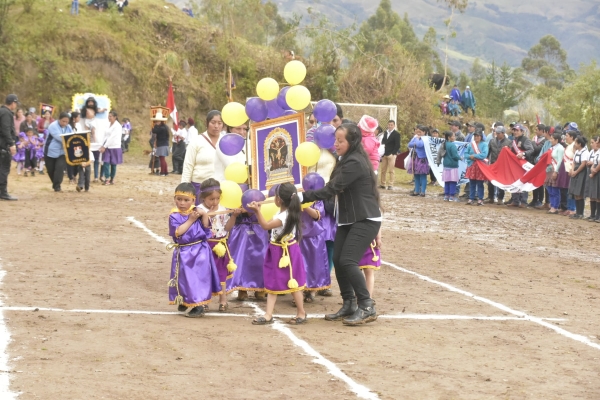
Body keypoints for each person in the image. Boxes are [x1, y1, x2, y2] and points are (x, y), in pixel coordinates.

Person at [299, 123, 381, 326]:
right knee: (338, 258)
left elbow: (331, 189)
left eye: (340, 140)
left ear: (352, 141)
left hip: (365, 219)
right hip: (348, 219)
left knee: (348, 260)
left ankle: (367, 305)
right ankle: (349, 303)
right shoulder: (345, 160)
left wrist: (302, 197)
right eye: (335, 139)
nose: (336, 144)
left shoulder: (355, 162)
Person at [246, 183, 308, 325]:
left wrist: (257, 211)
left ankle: (301, 313)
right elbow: (270, 224)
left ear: (278, 200)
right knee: (272, 280)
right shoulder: (282, 213)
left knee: (294, 282)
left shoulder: (284, 216)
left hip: (285, 251)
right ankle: (268, 314)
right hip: (277, 250)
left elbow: (266, 226)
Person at [168, 182, 222, 318]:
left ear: (193, 200)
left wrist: (204, 214)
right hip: (184, 251)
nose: (182, 203)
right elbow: (178, 232)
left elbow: (206, 227)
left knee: (196, 278)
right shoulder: (174, 215)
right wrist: (191, 220)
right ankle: (186, 300)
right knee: (183, 278)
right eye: (178, 199)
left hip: (199, 250)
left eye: (186, 200)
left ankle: (198, 306)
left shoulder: (197, 211)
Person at [197, 179, 240, 312]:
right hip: (206, 247)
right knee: (206, 274)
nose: (215, 202)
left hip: (221, 246)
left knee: (222, 273)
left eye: (217, 198)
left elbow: (227, 228)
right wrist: (206, 214)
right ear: (203, 198)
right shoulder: (199, 210)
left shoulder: (224, 209)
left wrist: (233, 216)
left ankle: (223, 300)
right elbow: (203, 227)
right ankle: (205, 300)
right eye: (211, 199)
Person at [227, 209, 268, 301]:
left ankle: (260, 288)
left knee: (260, 259)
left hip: (260, 230)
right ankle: (241, 288)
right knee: (241, 260)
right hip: (241, 230)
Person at [182, 111, 224, 199]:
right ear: (207, 123)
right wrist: (184, 188)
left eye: (219, 123)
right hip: (199, 187)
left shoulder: (226, 141)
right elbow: (188, 166)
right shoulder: (196, 141)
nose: (216, 126)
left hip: (220, 188)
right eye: (213, 122)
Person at [299, 200, 330, 303]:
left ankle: (312, 291)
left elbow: (317, 215)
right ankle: (300, 291)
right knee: (301, 265)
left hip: (315, 236)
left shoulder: (318, 200)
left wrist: (305, 206)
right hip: (300, 236)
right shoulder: (299, 197)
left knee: (315, 265)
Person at [44, 112, 73, 192]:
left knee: (60, 168)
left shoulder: (69, 127)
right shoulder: (53, 126)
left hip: (63, 152)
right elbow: (60, 138)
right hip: (50, 151)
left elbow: (72, 136)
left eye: (67, 122)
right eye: (63, 121)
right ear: (59, 119)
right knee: (51, 170)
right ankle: (56, 184)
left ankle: (57, 186)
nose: (65, 123)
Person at [507, 124, 534, 207]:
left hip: (524, 164)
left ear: (522, 131)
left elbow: (531, 150)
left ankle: (523, 201)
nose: (515, 132)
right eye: (514, 130)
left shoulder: (526, 140)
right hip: (516, 165)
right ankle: (515, 200)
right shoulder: (514, 140)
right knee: (515, 181)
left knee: (523, 182)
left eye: (517, 130)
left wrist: (523, 154)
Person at [486, 126, 512, 204]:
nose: (497, 134)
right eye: (496, 133)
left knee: (501, 182)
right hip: (493, 163)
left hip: (503, 165)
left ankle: (500, 198)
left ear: (503, 133)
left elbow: (510, 154)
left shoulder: (509, 142)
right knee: (491, 181)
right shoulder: (492, 141)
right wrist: (486, 161)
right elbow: (488, 152)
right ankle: (491, 197)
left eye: (499, 133)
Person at [0, 94, 18, 200]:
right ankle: (3, 192)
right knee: (4, 169)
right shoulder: (6, 113)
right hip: (3, 145)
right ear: (13, 103)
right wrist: (11, 144)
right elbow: (6, 129)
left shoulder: (1, 111)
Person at [464, 131, 489, 206]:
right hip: (472, 165)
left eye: (478, 136)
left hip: (480, 166)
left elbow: (484, 154)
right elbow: (465, 154)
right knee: (471, 183)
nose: (476, 137)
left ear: (481, 137)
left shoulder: (484, 145)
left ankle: (480, 199)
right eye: (475, 136)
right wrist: (470, 157)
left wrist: (474, 156)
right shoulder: (470, 144)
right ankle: (471, 198)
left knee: (480, 183)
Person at [99, 110, 123, 185]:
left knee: (113, 163)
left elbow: (112, 137)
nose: (109, 118)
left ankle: (112, 178)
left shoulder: (118, 126)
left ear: (115, 117)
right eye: (109, 116)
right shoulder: (108, 125)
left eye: (111, 116)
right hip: (107, 146)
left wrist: (104, 146)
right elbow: (105, 136)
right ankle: (107, 178)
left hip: (114, 146)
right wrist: (103, 145)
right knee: (106, 162)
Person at [556, 130, 577, 215]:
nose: (566, 137)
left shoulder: (574, 145)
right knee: (565, 189)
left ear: (572, 137)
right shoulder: (569, 146)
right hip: (565, 169)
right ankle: (566, 207)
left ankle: (571, 208)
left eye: (567, 135)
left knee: (570, 189)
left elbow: (575, 158)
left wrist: (572, 169)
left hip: (570, 170)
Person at [568, 136, 589, 219]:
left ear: (580, 144)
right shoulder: (577, 152)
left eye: (576, 143)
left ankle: (581, 213)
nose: (575, 144)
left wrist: (576, 172)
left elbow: (583, 164)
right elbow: (574, 162)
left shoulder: (585, 152)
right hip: (575, 171)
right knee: (575, 193)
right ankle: (577, 212)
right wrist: (572, 170)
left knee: (580, 193)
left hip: (581, 173)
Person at [531, 125, 551, 209]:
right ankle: (537, 200)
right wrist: (538, 159)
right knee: (538, 182)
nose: (535, 131)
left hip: (547, 166)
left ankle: (546, 201)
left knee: (546, 185)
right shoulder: (546, 142)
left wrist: (532, 142)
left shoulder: (546, 142)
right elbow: (541, 153)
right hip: (539, 164)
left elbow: (537, 149)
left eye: (537, 129)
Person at [408, 125, 430, 197]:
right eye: (417, 132)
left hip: (422, 158)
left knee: (422, 175)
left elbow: (420, 145)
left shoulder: (426, 139)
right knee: (416, 175)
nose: (418, 133)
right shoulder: (416, 137)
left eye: (420, 132)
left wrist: (416, 140)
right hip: (415, 157)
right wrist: (415, 140)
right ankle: (416, 191)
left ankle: (423, 191)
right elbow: (409, 144)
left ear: (424, 132)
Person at [546, 133, 565, 215]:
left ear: (557, 140)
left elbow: (560, 160)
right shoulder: (552, 148)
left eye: (552, 139)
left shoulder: (560, 148)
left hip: (555, 169)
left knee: (555, 190)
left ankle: (555, 206)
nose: (551, 140)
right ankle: (552, 205)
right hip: (549, 169)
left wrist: (556, 171)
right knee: (549, 189)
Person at [379, 120, 400, 190]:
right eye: (389, 125)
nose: (390, 126)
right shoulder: (385, 133)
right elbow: (383, 142)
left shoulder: (396, 134)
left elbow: (397, 145)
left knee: (391, 170)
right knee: (383, 170)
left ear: (394, 125)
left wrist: (393, 153)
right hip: (385, 154)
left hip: (391, 154)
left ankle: (391, 184)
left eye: (391, 125)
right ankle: (382, 183)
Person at [442, 130, 461, 202]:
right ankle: (451, 196)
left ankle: (446, 195)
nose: (454, 137)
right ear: (449, 137)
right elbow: (455, 155)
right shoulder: (452, 145)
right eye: (453, 136)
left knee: (446, 181)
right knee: (453, 181)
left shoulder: (444, 144)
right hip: (453, 165)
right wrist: (460, 157)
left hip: (446, 164)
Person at [150, 111, 170, 177]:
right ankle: (165, 171)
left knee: (162, 159)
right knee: (163, 158)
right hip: (164, 144)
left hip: (162, 144)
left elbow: (154, 130)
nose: (156, 122)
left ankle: (163, 172)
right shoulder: (165, 127)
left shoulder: (162, 128)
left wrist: (154, 126)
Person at [587, 136, 600, 222]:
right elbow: (594, 162)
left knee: (598, 195)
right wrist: (592, 169)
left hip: (597, 173)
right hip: (594, 172)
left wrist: (594, 170)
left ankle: (598, 215)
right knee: (593, 194)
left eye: (594, 142)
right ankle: (593, 215)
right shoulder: (593, 152)